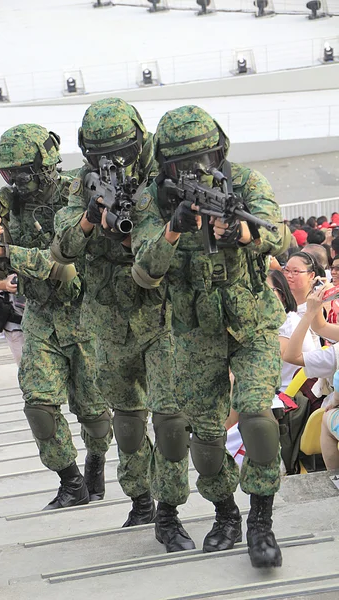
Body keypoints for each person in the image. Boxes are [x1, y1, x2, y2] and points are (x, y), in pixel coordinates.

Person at [130, 105, 289, 568]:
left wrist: (241, 233)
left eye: (205, 159)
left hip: (252, 322)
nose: (197, 171)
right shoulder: (151, 203)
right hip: (193, 334)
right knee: (205, 441)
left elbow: (278, 234)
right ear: (165, 166)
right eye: (183, 164)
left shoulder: (245, 181)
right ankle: (225, 513)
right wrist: (173, 230)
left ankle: (262, 521)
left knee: (258, 417)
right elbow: (144, 273)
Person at [51, 98, 194, 551]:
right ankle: (141, 500)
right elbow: (64, 245)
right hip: (109, 319)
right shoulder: (84, 184)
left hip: (166, 312)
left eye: (123, 148)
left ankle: (169, 512)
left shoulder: (166, 170)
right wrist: (95, 217)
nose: (115, 159)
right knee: (130, 423)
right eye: (101, 152)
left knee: (170, 420)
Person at [0, 124, 112, 509]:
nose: (14, 181)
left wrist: (6, 253)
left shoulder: (80, 192)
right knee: (38, 403)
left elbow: (61, 264)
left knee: (95, 412)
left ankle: (96, 459)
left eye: (21, 172)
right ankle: (71, 481)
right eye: (7, 173)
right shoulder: (7, 204)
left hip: (85, 316)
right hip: (39, 316)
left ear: (44, 164)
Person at [282, 284, 339, 470]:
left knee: (327, 418)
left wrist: (308, 313)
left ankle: (334, 477)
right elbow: (321, 326)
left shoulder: (334, 354)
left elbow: (292, 356)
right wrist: (315, 310)